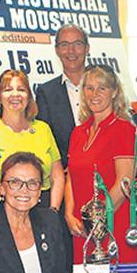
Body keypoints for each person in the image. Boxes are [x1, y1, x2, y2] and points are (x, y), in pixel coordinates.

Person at [65, 65, 137, 264]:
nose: (94, 94)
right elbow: (70, 177)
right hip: (81, 230)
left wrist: (97, 221)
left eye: (102, 88)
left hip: (112, 226)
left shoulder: (124, 130)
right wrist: (69, 215)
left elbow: (124, 184)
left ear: (114, 92)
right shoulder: (78, 132)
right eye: (89, 88)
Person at [0, 70, 64, 211]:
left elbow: (57, 177)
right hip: (2, 208)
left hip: (43, 208)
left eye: (21, 89)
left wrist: (53, 211)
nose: (15, 94)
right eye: (8, 89)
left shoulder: (42, 129)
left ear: (29, 97)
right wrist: (1, 211)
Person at [36, 24, 89, 166]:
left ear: (87, 48)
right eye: (64, 44)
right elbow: (46, 140)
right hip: (65, 175)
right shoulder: (46, 93)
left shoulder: (104, 86)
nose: (71, 51)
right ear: (57, 50)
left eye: (77, 44)